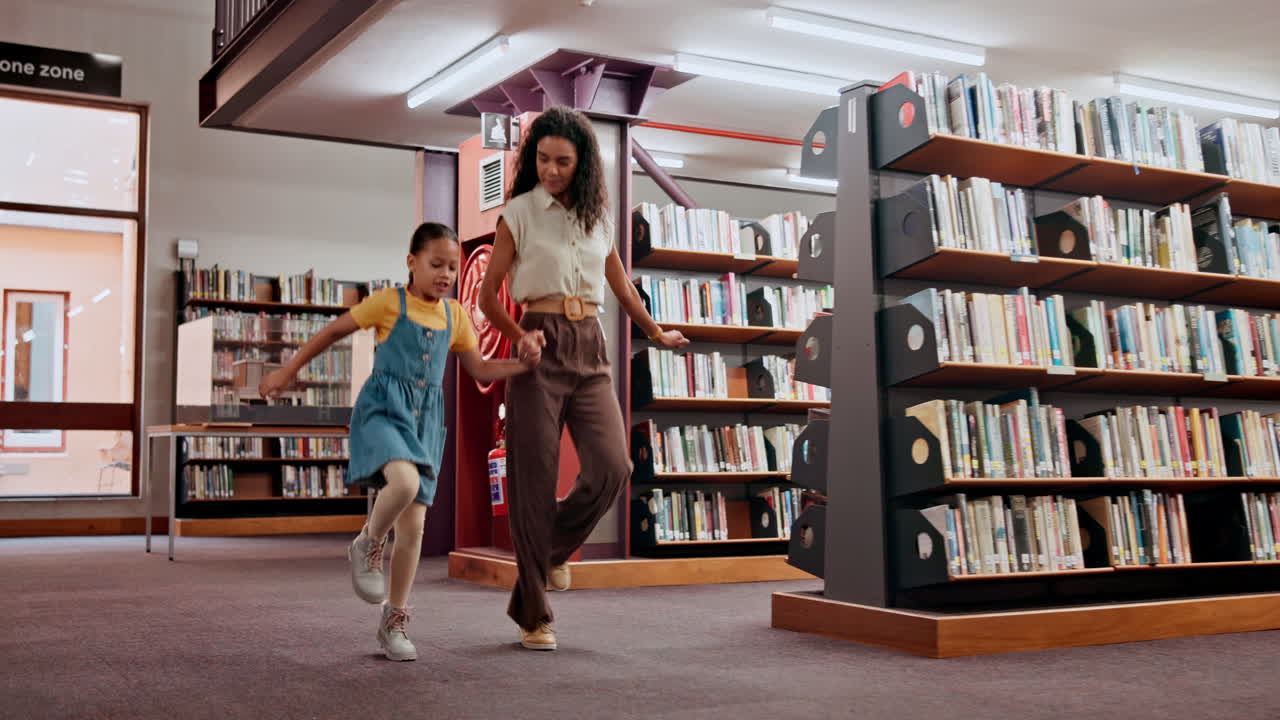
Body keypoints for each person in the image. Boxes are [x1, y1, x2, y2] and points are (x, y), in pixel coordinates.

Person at [259, 222, 530, 661]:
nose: (446, 274)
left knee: (415, 528)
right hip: (384, 411)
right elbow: (333, 332)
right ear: (411, 263)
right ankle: (367, 543)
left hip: (425, 421)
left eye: (453, 268)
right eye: (435, 264)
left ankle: (394, 620)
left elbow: (479, 370)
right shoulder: (388, 303)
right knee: (401, 485)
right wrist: (287, 372)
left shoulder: (455, 315)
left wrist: (522, 366)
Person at [478, 106, 689, 651]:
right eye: (543, 159)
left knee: (613, 466)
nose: (551, 170)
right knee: (533, 480)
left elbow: (621, 287)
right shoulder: (518, 212)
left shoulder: (598, 215)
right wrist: (516, 334)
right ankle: (533, 614)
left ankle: (547, 552)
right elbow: (487, 292)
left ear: (583, 163)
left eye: (563, 161)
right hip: (537, 345)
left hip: (590, 347)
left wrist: (657, 333)